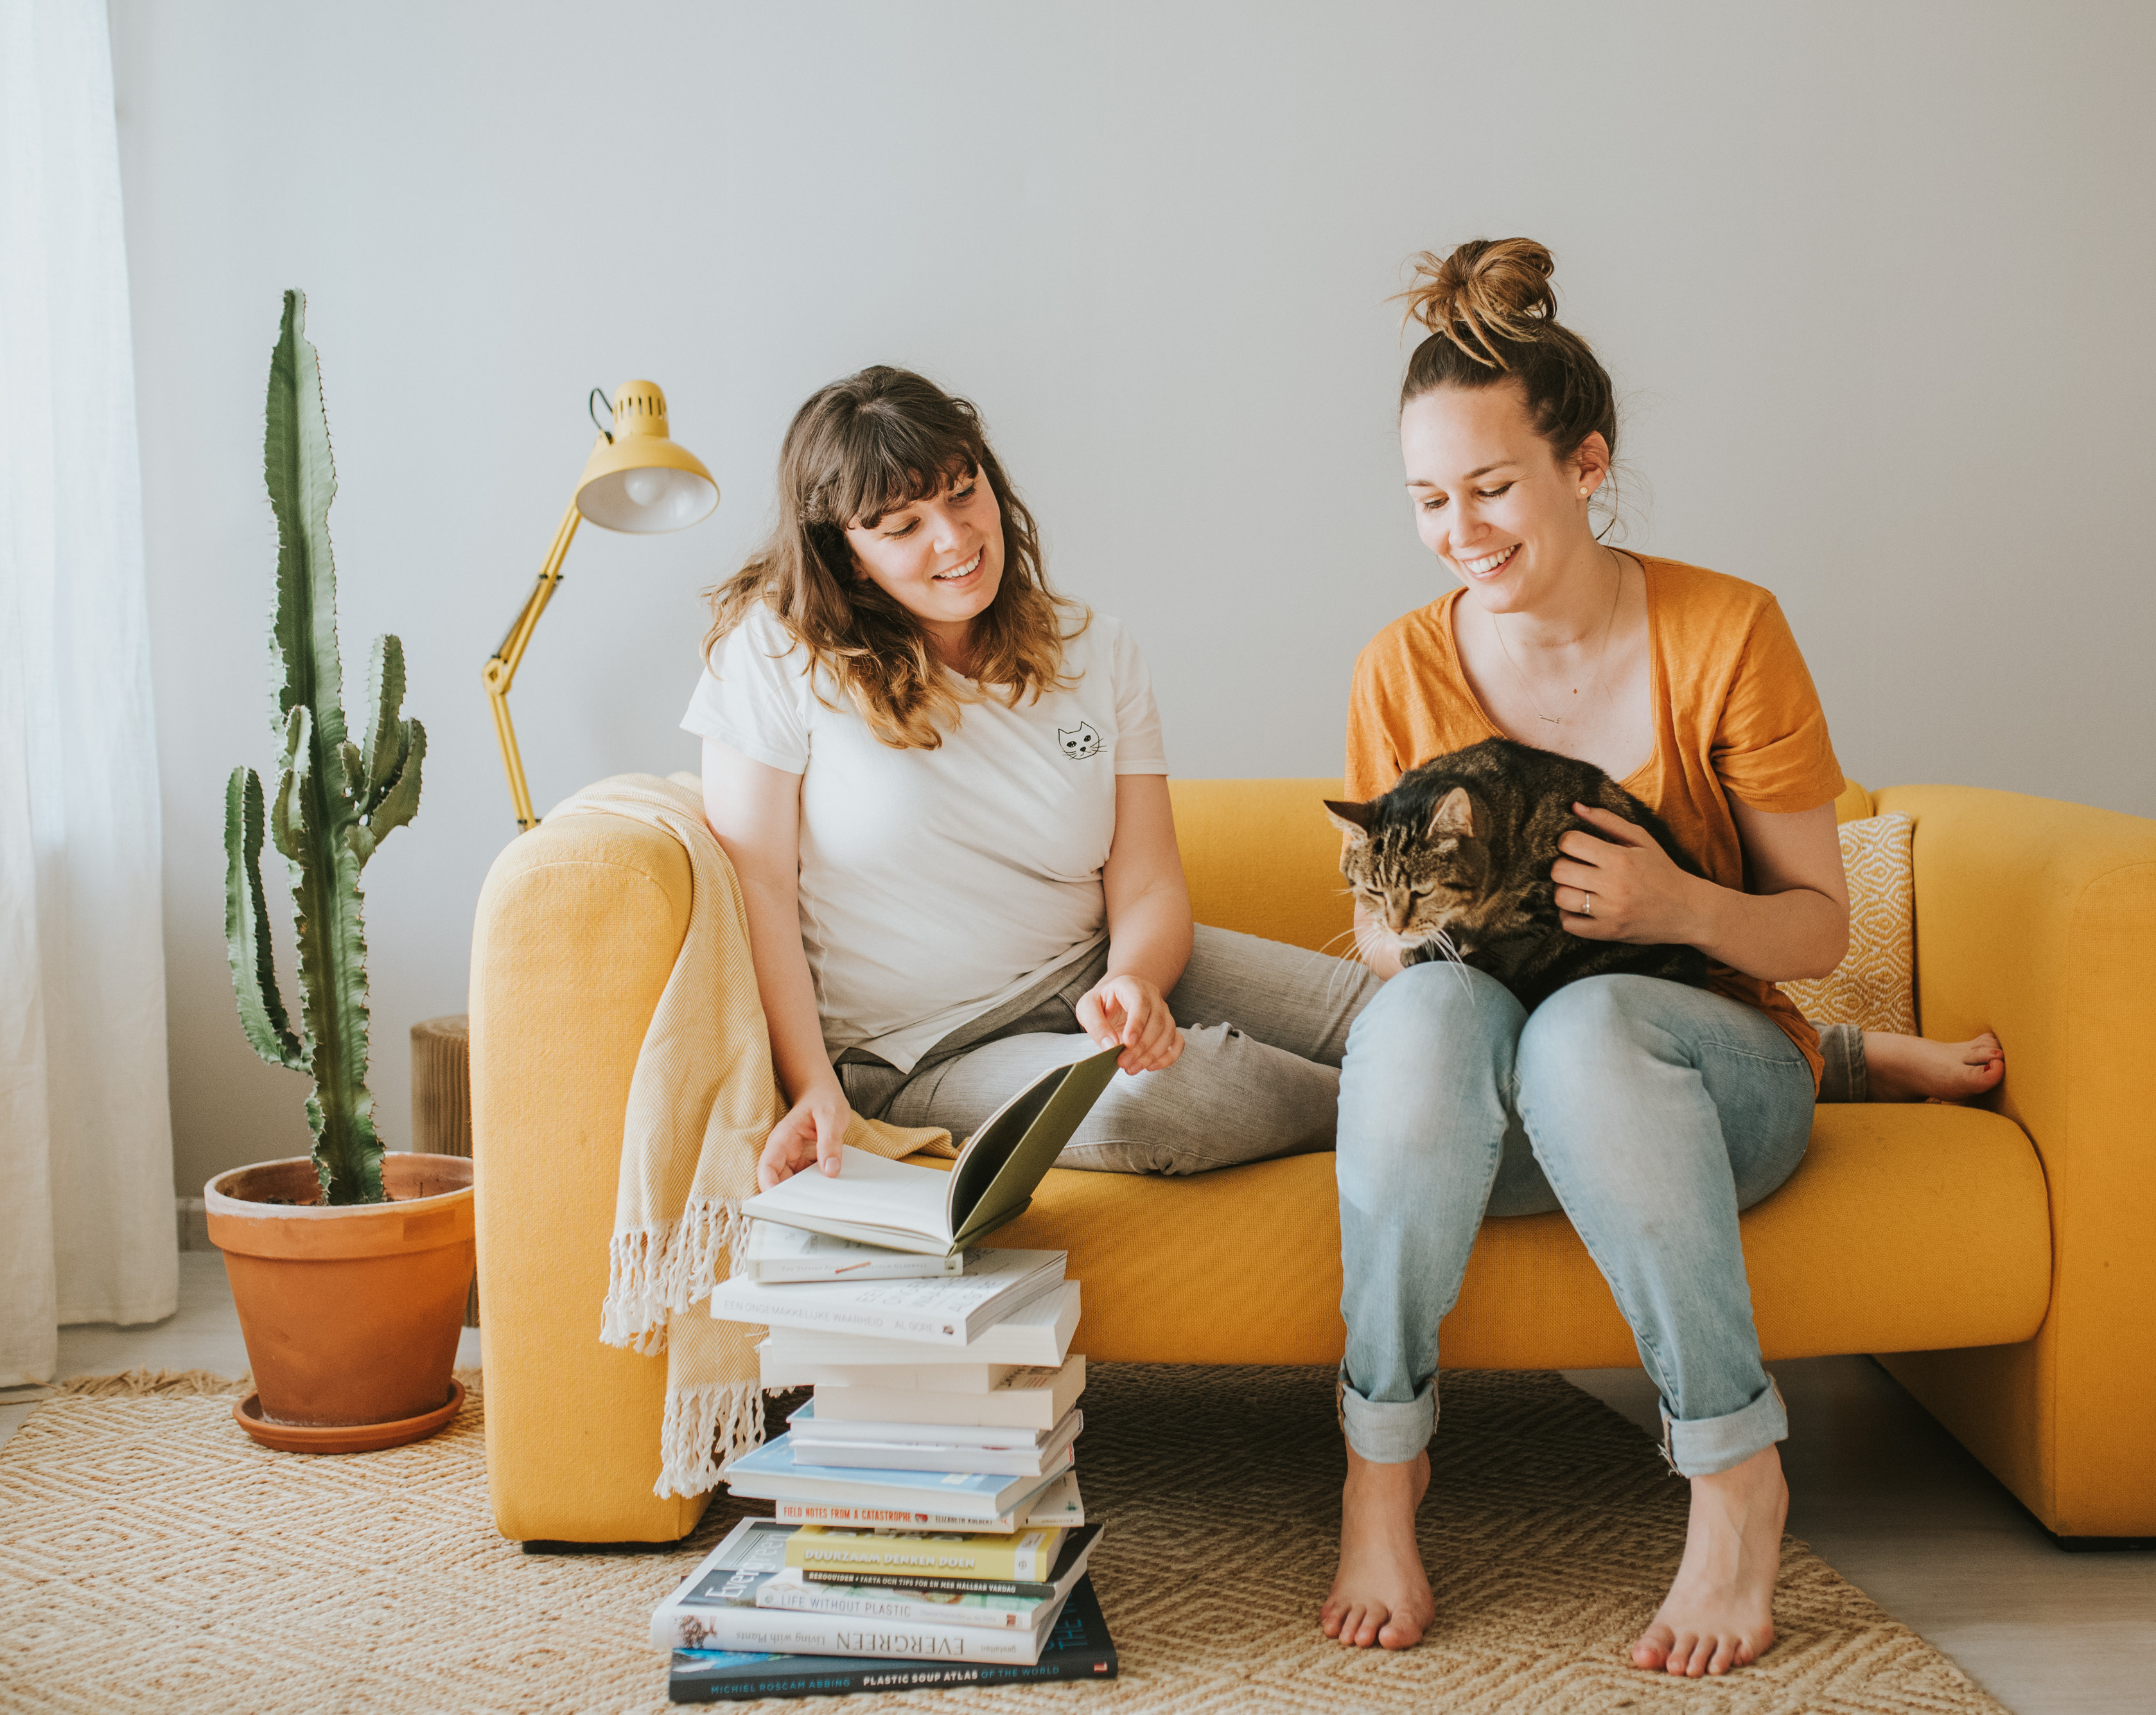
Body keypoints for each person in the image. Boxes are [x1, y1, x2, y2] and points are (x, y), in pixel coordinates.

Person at [1320, 236, 1869, 1677]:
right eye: (1428, 500)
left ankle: (1734, 1478)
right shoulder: (1400, 664)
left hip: (1697, 1084)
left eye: (1491, 487)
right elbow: (1379, 929)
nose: (1459, 529)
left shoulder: (1724, 630)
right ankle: (1381, 1470)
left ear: (1585, 464)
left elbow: (1819, 923)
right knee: (1435, 1019)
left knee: (1582, 1038)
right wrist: (1427, 949)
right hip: (1481, 1126)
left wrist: (1678, 906)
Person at [686, 366, 1377, 1187]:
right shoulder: (774, 653)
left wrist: (1134, 980)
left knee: (1403, 1018)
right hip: (918, 1050)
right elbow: (756, 887)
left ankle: (1449, 1099)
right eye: (903, 526)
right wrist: (812, 1088)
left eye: (961, 492)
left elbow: (1149, 877)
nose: (955, 539)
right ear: (850, 556)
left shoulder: (1093, 646)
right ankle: (1422, 1119)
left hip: (1091, 965)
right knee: (1169, 1098)